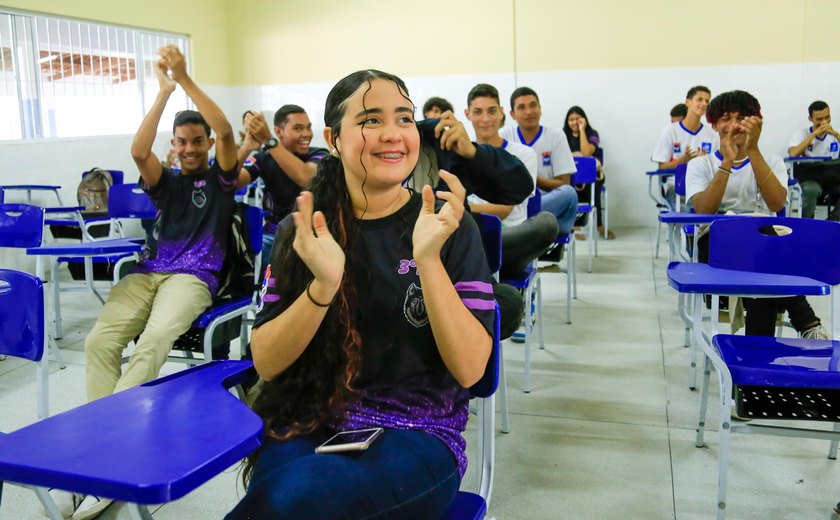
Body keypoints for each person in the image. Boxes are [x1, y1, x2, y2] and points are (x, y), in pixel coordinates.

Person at [225, 69, 495, 519]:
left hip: (420, 433)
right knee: (284, 498)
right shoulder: (303, 230)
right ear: (333, 138)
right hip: (312, 420)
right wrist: (323, 285)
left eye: (404, 119)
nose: (392, 134)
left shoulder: (449, 226)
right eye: (371, 120)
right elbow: (268, 363)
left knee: (291, 501)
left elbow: (469, 370)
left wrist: (427, 260)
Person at [47, 46, 239, 520]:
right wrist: (163, 92)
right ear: (173, 145)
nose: (191, 148)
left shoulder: (221, 179)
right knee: (98, 342)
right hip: (147, 273)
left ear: (207, 145)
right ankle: (107, 450)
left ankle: (100, 459)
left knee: (153, 341)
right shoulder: (165, 181)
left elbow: (227, 131)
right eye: (183, 142)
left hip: (195, 277)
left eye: (198, 141)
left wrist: (187, 78)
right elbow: (138, 150)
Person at [687, 90, 828, 340]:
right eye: (726, 118)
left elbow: (776, 202)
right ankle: (806, 321)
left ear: (756, 122)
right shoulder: (701, 165)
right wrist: (727, 163)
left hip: (764, 241)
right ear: (715, 124)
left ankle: (756, 361)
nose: (734, 125)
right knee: (768, 261)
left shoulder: (771, 161)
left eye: (742, 118)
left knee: (765, 260)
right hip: (717, 243)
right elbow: (704, 210)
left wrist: (752, 151)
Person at [464, 83, 558, 278]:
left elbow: (504, 210)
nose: (485, 119)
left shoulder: (523, 155)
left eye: (491, 111)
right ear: (467, 114)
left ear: (501, 113)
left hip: (508, 238)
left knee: (547, 223)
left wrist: (463, 207)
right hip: (470, 237)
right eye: (478, 112)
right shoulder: (460, 156)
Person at [237, 105, 329, 264]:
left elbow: (306, 177)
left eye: (308, 127)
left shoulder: (320, 154)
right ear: (279, 132)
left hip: (312, 233)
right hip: (273, 235)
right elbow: (232, 182)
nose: (306, 134)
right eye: (298, 128)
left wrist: (268, 140)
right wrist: (246, 148)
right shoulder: (264, 158)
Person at [500, 87, 578, 243]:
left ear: (540, 109)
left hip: (547, 203)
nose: (529, 111)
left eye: (533, 105)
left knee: (569, 193)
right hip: (514, 203)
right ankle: (532, 230)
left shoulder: (556, 136)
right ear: (512, 114)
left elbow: (564, 183)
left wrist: (529, 176)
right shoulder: (504, 136)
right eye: (521, 107)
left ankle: (527, 229)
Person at [652, 86, 719, 204]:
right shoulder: (670, 131)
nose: (704, 104)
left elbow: (717, 167)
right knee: (686, 207)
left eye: (707, 101)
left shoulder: (712, 134)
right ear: (688, 102)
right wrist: (684, 159)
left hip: (703, 186)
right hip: (676, 186)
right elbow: (662, 167)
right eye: (700, 99)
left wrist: (705, 160)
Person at [562, 105, 612, 239]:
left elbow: (586, 152)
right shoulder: (563, 136)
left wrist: (582, 130)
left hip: (592, 176)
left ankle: (599, 225)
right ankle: (575, 224)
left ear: (583, 120)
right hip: (573, 176)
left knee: (594, 185)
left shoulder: (592, 134)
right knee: (567, 185)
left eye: (577, 119)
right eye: (571, 119)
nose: (574, 122)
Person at [787, 100, 840, 220]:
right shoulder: (802, 133)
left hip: (832, 174)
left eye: (827, 117)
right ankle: (807, 224)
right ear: (810, 119)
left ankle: (833, 221)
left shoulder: (836, 132)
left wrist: (836, 135)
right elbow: (793, 153)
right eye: (819, 119)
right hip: (811, 175)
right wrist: (813, 135)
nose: (824, 122)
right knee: (811, 190)